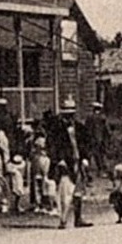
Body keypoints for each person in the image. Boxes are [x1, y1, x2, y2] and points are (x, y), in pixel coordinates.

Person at [46, 98, 92, 229]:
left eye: (71, 114)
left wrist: (85, 158)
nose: (69, 117)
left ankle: (78, 218)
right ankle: (63, 220)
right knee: (65, 192)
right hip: (64, 163)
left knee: (78, 191)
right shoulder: (56, 129)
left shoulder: (80, 127)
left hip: (78, 162)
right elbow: (51, 146)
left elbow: (85, 144)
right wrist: (58, 160)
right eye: (66, 114)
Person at [84, 101, 112, 175]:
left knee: (89, 155)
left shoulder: (89, 117)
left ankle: (88, 172)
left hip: (91, 139)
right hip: (100, 140)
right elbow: (108, 130)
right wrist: (107, 139)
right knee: (100, 156)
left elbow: (86, 129)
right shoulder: (103, 118)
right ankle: (101, 170)